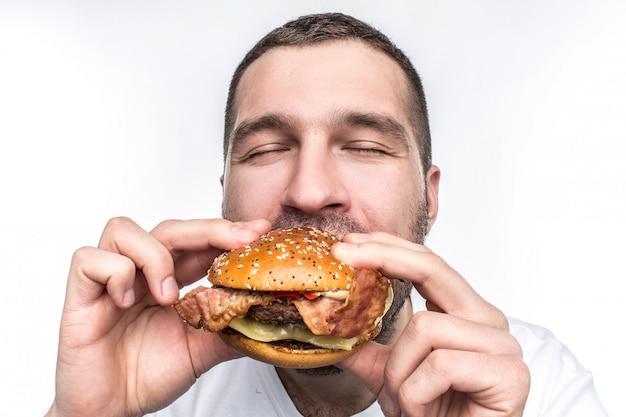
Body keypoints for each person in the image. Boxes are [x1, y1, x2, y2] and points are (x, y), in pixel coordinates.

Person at [45, 12, 607, 417]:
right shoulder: (149, 380)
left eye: (364, 146)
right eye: (266, 150)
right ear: (225, 198)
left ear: (428, 199)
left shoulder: (537, 385)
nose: (310, 192)